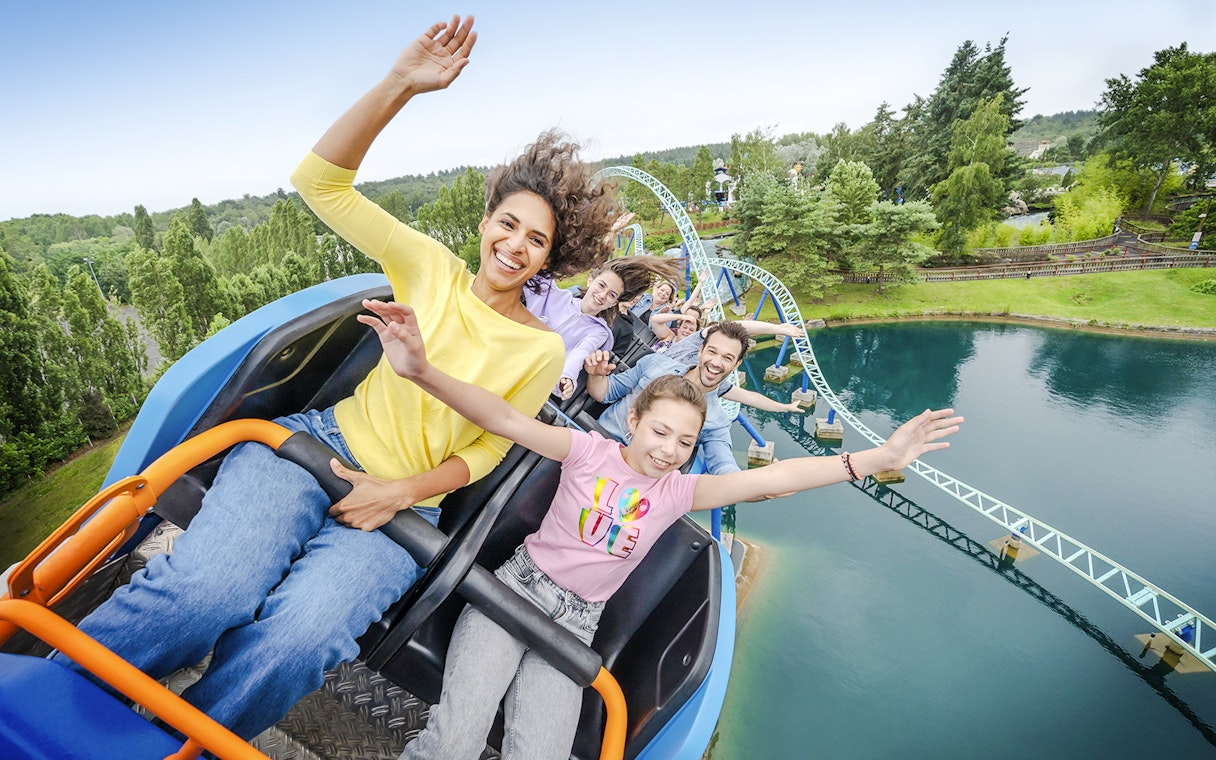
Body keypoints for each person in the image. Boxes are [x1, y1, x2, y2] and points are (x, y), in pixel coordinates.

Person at [52, 15, 618, 740]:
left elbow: (487, 450)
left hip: (403, 508)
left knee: (296, 644)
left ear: (550, 257)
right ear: (484, 220)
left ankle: (183, 742)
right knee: (204, 593)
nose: (514, 246)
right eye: (507, 224)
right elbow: (319, 183)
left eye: (535, 240)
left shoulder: (540, 350)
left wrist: (401, 492)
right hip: (317, 449)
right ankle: (60, 694)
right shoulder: (427, 268)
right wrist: (401, 85)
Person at [354, 298, 963, 760]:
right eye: (660, 432)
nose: (670, 450)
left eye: (686, 441)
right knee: (457, 736)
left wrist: (872, 461)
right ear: (636, 420)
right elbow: (505, 417)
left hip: (575, 623)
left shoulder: (677, 494)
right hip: (517, 592)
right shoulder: (588, 451)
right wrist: (421, 371)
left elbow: (771, 481)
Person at [525, 255, 679, 400]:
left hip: (538, 375)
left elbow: (580, 353)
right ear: (591, 281)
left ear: (613, 303)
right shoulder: (557, 296)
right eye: (601, 285)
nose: (602, 295)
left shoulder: (598, 332)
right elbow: (539, 272)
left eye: (612, 295)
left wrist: (566, 376)